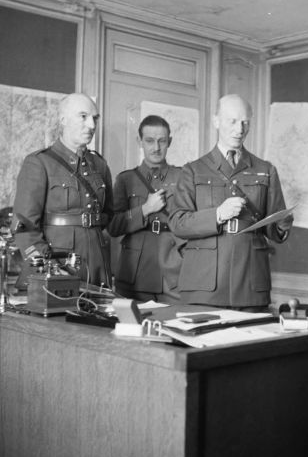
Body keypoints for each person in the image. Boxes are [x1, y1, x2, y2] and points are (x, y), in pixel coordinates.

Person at [168, 94, 293, 311]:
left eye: (245, 122)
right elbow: (178, 223)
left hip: (250, 284)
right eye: (232, 121)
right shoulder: (193, 170)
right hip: (204, 285)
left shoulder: (265, 170)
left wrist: (282, 226)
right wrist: (218, 214)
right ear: (216, 121)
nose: (240, 129)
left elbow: (273, 230)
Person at [13, 93, 113, 288]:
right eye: (83, 116)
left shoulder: (99, 165)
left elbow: (108, 215)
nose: (91, 125)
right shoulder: (40, 162)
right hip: (57, 266)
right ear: (63, 120)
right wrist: (49, 267)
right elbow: (24, 228)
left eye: (95, 118)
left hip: (97, 268)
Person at [107, 115, 183, 302]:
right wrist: (145, 209)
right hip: (136, 273)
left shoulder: (182, 177)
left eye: (162, 141)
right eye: (149, 141)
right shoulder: (126, 180)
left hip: (171, 271)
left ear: (170, 142)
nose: (156, 148)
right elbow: (113, 227)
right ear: (139, 141)